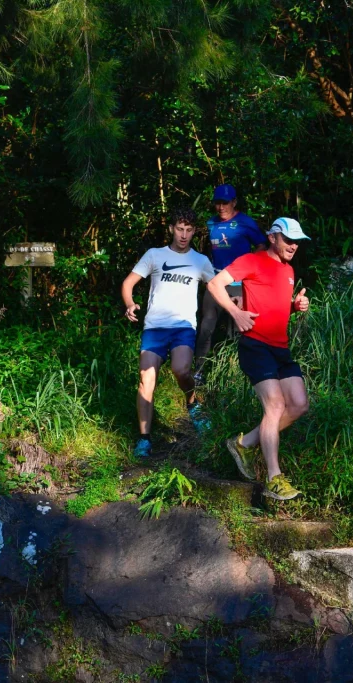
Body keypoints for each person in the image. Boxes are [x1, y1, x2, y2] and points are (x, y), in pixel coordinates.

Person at [205, 217, 311, 500]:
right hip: (255, 345)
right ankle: (274, 478)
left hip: (280, 348)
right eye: (288, 240)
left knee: (299, 404)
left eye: (297, 242)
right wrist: (235, 312)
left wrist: (295, 305)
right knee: (275, 405)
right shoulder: (251, 260)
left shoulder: (288, 270)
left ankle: (243, 443)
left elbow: (274, 305)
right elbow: (215, 285)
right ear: (273, 237)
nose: (293, 246)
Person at [121, 207, 216, 458]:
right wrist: (130, 303)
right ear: (172, 229)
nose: (184, 235)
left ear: (194, 231)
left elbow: (217, 286)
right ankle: (144, 439)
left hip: (183, 327)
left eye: (188, 230)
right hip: (154, 327)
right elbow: (129, 282)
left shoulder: (200, 261)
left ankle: (192, 404)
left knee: (181, 370)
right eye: (179, 229)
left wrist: (237, 303)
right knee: (145, 379)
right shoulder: (154, 255)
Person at [193, 184, 268, 385]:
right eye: (217, 203)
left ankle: (235, 376)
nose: (221, 207)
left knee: (236, 330)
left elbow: (261, 244)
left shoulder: (245, 222)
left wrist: (251, 266)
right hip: (217, 282)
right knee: (206, 326)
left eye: (225, 203)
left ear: (234, 202)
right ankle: (198, 372)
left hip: (240, 283)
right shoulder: (211, 223)